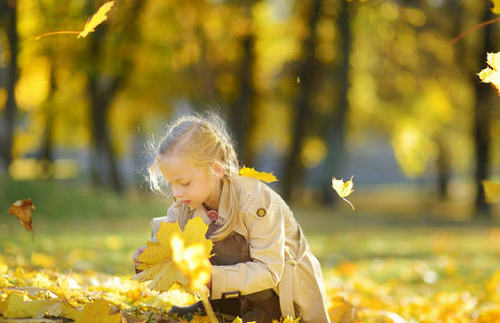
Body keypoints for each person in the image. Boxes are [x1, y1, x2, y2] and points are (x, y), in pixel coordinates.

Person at [133, 113, 331, 323]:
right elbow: (173, 242)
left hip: (280, 291)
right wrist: (150, 259)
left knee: (240, 249)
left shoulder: (256, 202)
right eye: (171, 183)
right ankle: (224, 306)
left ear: (216, 169)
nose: (177, 193)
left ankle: (258, 311)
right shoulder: (186, 205)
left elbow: (269, 270)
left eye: (184, 183)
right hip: (231, 288)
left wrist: (212, 278)